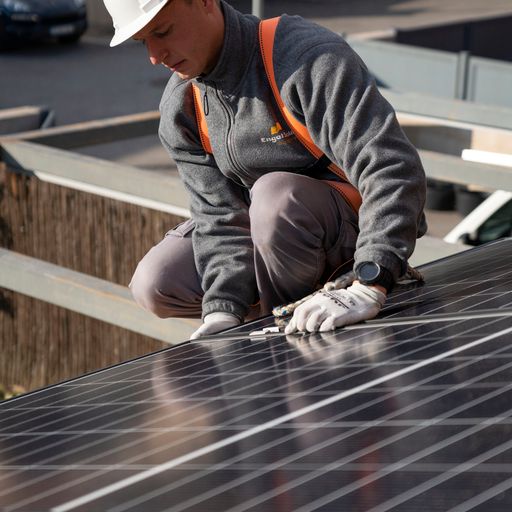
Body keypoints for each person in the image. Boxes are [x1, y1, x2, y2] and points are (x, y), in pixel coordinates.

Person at [102, 0, 427, 338]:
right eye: (143, 41)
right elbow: (219, 216)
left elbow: (391, 166)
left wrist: (372, 278)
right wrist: (222, 310)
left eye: (162, 31)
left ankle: (307, 316)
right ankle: (293, 308)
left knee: (274, 198)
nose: (155, 56)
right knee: (156, 280)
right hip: (271, 236)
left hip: (350, 232)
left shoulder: (305, 58)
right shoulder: (182, 108)